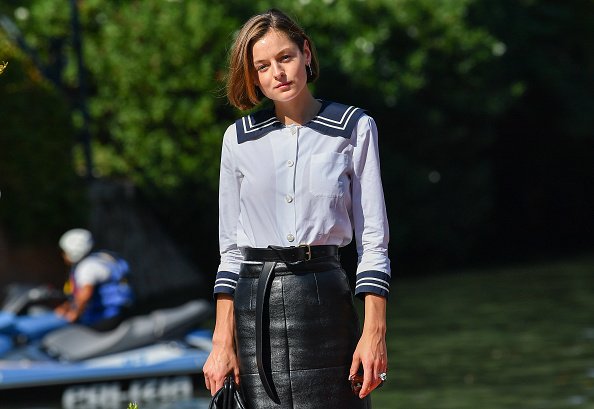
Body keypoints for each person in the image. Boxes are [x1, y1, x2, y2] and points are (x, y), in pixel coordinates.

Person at [202, 8, 391, 408]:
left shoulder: (354, 127)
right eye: (263, 66)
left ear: (306, 52)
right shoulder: (237, 139)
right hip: (255, 305)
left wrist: (374, 333)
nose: (278, 73)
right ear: (253, 76)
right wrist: (222, 342)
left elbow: (373, 242)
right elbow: (230, 251)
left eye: (285, 57)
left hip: (325, 300)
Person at [54, 228, 134, 331]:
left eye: (64, 252)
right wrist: (66, 307)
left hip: (107, 317)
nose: (63, 255)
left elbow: (85, 295)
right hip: (122, 311)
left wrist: (74, 314)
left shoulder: (86, 267)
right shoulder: (103, 257)